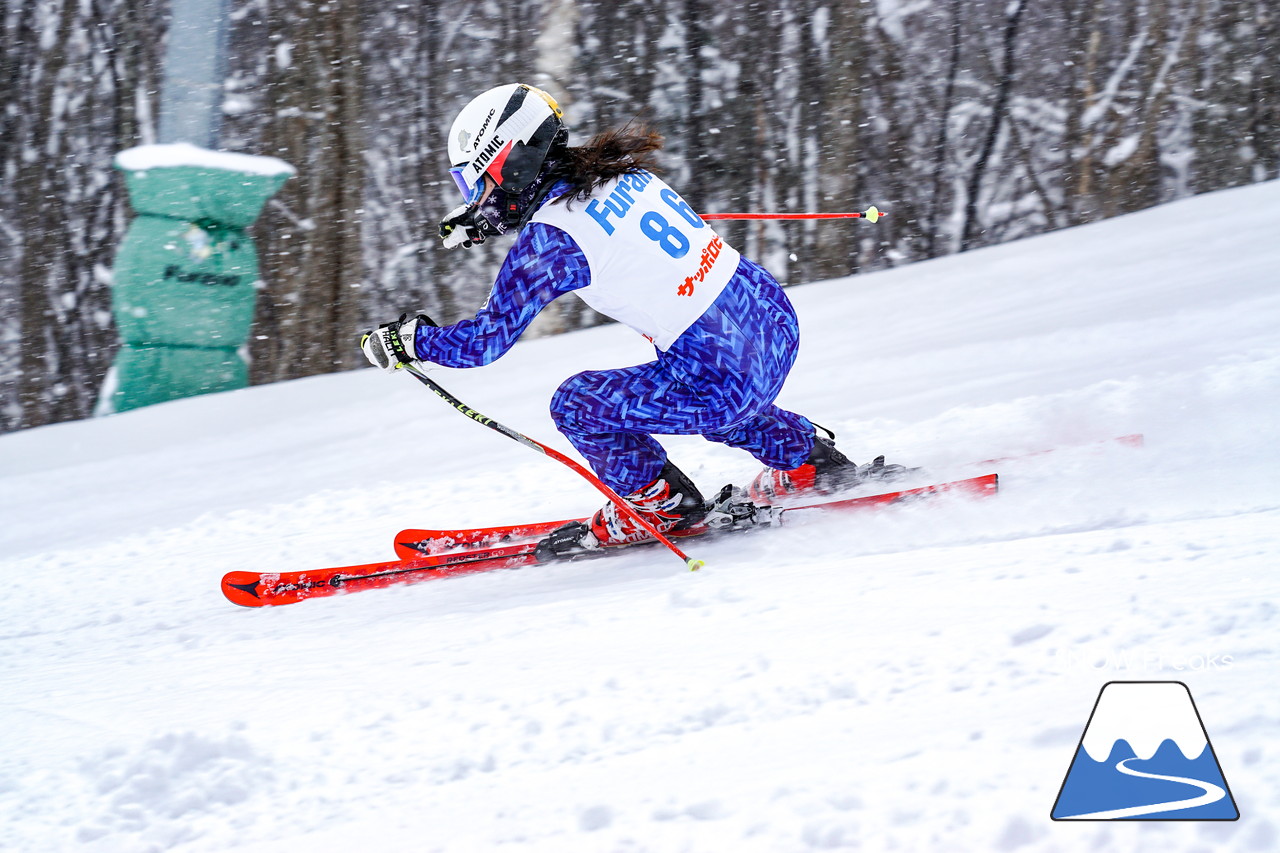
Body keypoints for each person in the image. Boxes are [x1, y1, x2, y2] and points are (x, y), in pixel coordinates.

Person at [362, 83, 904, 555]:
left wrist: (409, 341)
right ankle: (807, 459)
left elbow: (484, 342)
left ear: (513, 163)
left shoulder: (550, 242)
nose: (479, 198)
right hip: (773, 322)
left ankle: (661, 505)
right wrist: (495, 219)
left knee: (578, 403)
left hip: (726, 373)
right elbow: (597, 225)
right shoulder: (625, 174)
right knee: (697, 379)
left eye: (479, 181)